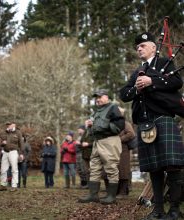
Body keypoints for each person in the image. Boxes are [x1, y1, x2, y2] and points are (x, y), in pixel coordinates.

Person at [120, 32, 184, 220]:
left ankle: (174, 209)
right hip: (145, 123)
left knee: (173, 166)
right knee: (154, 168)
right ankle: (158, 210)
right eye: (137, 47)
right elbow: (124, 94)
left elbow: (176, 82)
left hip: (163, 119)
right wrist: (137, 88)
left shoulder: (165, 63)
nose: (139, 48)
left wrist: (152, 81)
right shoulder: (136, 72)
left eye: (143, 45)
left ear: (154, 47)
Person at [78, 89, 125, 204]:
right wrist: (89, 126)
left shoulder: (113, 108)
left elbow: (119, 126)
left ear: (106, 97)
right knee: (94, 168)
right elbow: (93, 130)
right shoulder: (96, 111)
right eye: (96, 97)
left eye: (99, 97)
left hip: (109, 141)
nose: (97, 99)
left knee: (111, 167)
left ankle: (111, 197)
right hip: (97, 141)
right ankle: (93, 195)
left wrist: (98, 125)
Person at [0, 122, 24, 192]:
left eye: (10, 125)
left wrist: (21, 153)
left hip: (14, 152)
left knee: (14, 169)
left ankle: (14, 186)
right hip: (5, 152)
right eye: (7, 125)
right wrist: (2, 143)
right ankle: (3, 185)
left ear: (14, 125)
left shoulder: (18, 132)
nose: (8, 126)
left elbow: (21, 143)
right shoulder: (4, 132)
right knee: (3, 169)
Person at [117, 107, 135, 198]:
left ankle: (123, 192)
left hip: (124, 149)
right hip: (114, 150)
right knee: (116, 170)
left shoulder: (125, 123)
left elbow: (131, 134)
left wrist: (119, 139)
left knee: (123, 170)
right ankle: (117, 191)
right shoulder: (113, 123)